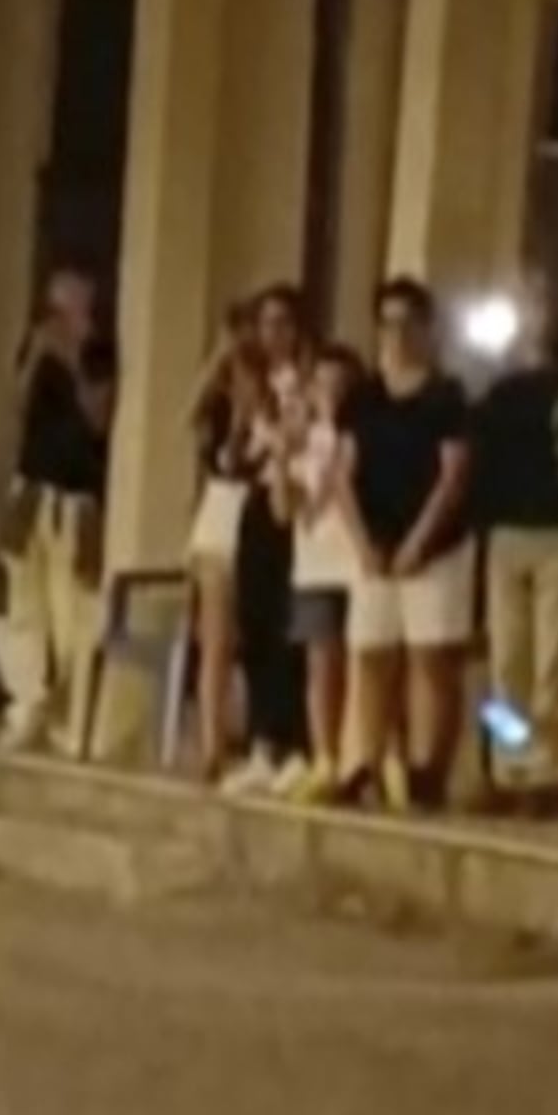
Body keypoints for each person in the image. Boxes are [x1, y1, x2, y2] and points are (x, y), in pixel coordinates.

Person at [336, 277, 474, 812]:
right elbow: (343, 473)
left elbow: (452, 476)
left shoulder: (445, 395)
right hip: (377, 540)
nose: (395, 334)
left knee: (428, 657)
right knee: (372, 653)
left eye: (406, 323)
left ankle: (424, 768)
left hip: (432, 545)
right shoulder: (363, 396)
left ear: (425, 328)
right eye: (386, 323)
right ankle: (366, 762)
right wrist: (362, 542)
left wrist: (419, 540)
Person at [0, 267, 116, 755]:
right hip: (32, 488)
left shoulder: (100, 352)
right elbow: (18, 407)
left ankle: (70, 713)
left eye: (68, 302)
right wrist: (36, 358)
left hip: (76, 497)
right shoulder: (38, 345)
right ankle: (25, 703)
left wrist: (67, 357)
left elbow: (98, 419)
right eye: (53, 303)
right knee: (21, 603)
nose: (58, 313)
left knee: (74, 613)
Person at [473, 282, 558, 792]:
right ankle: (525, 764)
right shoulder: (523, 392)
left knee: (530, 660)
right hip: (534, 530)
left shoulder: (549, 393)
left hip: (536, 529)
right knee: (529, 659)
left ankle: (528, 765)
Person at [226, 283, 313, 795]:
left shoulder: (306, 385)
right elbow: (232, 459)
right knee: (255, 624)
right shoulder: (254, 387)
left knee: (289, 629)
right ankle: (262, 742)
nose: (271, 334)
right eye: (264, 324)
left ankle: (297, 742)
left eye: (281, 323)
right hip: (256, 507)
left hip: (298, 508)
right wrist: (243, 414)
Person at [273, 341, 366, 804]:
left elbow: (339, 486)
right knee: (320, 661)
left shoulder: (357, 435)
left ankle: (357, 757)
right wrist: (281, 456)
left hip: (354, 562)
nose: (328, 392)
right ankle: (324, 753)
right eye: (322, 383)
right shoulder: (303, 441)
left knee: (357, 661)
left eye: (339, 384)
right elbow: (282, 511)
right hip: (312, 564)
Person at [183, 299, 263, 782]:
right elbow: (187, 417)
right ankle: (212, 741)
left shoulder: (279, 392)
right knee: (215, 638)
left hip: (260, 509)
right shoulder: (216, 405)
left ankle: (254, 733)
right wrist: (219, 360)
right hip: (222, 510)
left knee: (254, 635)